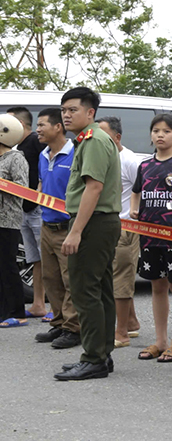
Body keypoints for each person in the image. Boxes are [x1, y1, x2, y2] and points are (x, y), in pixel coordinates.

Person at [55, 87, 122, 381]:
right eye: (64, 110)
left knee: (85, 290)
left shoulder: (93, 140)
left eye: (73, 110)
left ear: (90, 113)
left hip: (93, 222)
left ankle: (93, 357)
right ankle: (101, 354)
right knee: (100, 290)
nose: (67, 115)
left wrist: (76, 232)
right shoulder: (89, 139)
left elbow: (93, 188)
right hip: (101, 222)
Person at [131, 113, 172, 363]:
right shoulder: (145, 165)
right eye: (156, 130)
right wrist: (134, 209)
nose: (160, 135)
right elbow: (136, 192)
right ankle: (159, 342)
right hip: (149, 237)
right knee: (156, 287)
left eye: (167, 131)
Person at [33, 108, 80, 348]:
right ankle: (60, 323)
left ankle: (74, 328)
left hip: (67, 226)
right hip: (47, 224)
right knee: (51, 278)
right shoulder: (43, 155)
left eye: (42, 125)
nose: (37, 130)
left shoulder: (76, 153)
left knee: (70, 278)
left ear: (58, 127)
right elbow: (43, 183)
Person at [96, 116, 142, 346]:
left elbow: (141, 191)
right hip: (104, 227)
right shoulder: (98, 156)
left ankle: (121, 333)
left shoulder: (129, 160)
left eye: (103, 134)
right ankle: (131, 322)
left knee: (121, 280)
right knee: (112, 277)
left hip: (125, 227)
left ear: (117, 137)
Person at [8, 106, 46, 319]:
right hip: (24, 209)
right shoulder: (17, 146)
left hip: (39, 207)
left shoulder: (35, 142)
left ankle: (58, 308)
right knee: (35, 260)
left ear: (20, 125)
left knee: (48, 258)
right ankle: (38, 303)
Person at [0, 113, 28, 328]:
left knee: (8, 265)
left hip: (7, 219)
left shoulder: (16, 158)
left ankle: (16, 311)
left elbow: (22, 188)